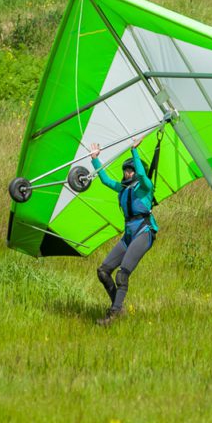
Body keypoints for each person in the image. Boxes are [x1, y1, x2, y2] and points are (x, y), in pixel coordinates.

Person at [89, 135, 158, 326]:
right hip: (128, 234)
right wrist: (95, 158)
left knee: (122, 274)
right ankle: (118, 308)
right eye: (126, 170)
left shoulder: (145, 188)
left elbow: (143, 176)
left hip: (144, 232)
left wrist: (134, 151)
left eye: (131, 171)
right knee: (103, 271)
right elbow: (105, 180)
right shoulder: (123, 189)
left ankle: (114, 314)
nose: (127, 173)